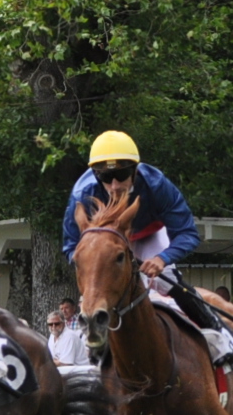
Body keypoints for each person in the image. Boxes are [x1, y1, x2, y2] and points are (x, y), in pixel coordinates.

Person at [59, 129, 233, 364]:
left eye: (122, 174)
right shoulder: (82, 193)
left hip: (148, 235)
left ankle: (220, 336)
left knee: (166, 279)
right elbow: (71, 245)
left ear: (135, 170)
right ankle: (97, 350)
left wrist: (162, 258)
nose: (114, 184)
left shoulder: (157, 185)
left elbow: (187, 233)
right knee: (97, 293)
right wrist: (90, 267)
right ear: (95, 175)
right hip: (105, 245)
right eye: (105, 177)